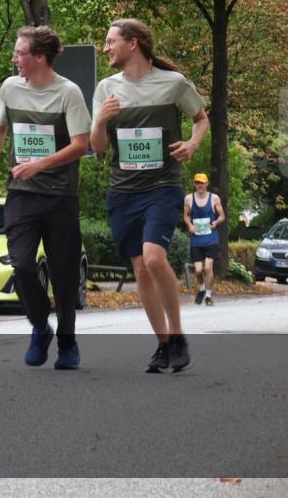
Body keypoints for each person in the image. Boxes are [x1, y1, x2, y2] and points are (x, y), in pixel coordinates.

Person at [90, 18, 209, 373]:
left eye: (111, 41)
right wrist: (99, 121)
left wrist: (191, 143)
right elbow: (98, 149)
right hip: (124, 191)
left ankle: (177, 336)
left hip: (162, 186)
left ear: (133, 44)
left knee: (154, 259)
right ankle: (162, 345)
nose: (105, 48)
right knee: (141, 271)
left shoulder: (172, 84)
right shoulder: (106, 88)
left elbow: (201, 119)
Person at [0, 26, 91, 370]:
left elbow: (81, 145)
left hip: (60, 196)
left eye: (19, 53)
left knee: (63, 273)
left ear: (39, 58)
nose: (14, 59)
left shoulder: (69, 93)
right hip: (22, 194)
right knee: (22, 264)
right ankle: (40, 326)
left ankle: (68, 344)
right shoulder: (10, 88)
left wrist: (39, 164)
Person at [184, 172, 225, 306]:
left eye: (202, 183)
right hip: (196, 239)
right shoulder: (189, 199)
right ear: (194, 184)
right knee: (197, 270)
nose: (200, 185)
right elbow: (186, 216)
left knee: (208, 267)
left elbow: (222, 216)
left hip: (211, 238)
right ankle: (202, 288)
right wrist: (189, 225)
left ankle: (208, 295)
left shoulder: (214, 198)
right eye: (197, 183)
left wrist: (216, 222)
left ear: (207, 184)